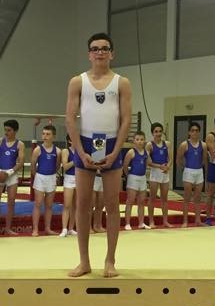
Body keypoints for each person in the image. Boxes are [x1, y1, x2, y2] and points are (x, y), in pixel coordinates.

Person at [65, 32, 132, 278]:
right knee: (82, 204)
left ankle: (110, 260)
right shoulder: (77, 82)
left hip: (112, 141)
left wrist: (116, 151)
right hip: (85, 142)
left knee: (112, 205)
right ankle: (84, 262)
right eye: (96, 48)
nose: (100, 52)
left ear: (112, 53)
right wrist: (79, 151)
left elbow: (126, 119)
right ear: (89, 54)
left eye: (105, 48)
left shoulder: (122, 82)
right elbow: (70, 118)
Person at [0, 119, 24, 236]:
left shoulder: (20, 144)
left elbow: (20, 162)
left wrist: (8, 173)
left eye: (9, 130)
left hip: (11, 174)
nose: (6, 132)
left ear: (15, 131)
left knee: (11, 202)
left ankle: (8, 228)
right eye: (5, 130)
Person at [31, 124, 62, 236]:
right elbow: (33, 166)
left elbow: (57, 166)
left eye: (48, 134)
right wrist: (37, 176)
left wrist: (52, 176)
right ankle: (35, 229)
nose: (45, 136)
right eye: (43, 134)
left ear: (53, 136)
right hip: (40, 177)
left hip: (51, 177)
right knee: (38, 204)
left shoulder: (58, 151)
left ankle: (47, 228)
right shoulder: (37, 150)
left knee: (49, 205)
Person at [177, 122, 206, 227]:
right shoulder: (184, 144)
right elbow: (178, 159)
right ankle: (185, 221)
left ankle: (198, 220)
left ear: (199, 132)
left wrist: (202, 170)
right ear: (189, 132)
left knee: (198, 197)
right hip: (188, 171)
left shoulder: (203, 145)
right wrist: (184, 168)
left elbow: (204, 160)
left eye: (197, 131)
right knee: (187, 197)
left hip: (199, 171)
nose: (194, 132)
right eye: (192, 130)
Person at [121, 131, 149, 231]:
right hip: (133, 177)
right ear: (134, 141)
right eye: (137, 139)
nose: (140, 141)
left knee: (141, 201)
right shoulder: (131, 152)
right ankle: (127, 223)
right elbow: (125, 165)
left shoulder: (146, 152)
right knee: (130, 201)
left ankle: (141, 223)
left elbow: (146, 164)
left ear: (144, 140)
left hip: (142, 178)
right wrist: (128, 175)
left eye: (141, 139)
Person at [146, 122, 171, 228]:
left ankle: (165, 221)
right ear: (152, 133)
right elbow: (148, 161)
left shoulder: (167, 144)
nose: (158, 133)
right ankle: (151, 221)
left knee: (164, 199)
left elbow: (170, 158)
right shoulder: (149, 145)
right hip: (155, 172)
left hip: (165, 172)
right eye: (156, 132)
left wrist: (167, 167)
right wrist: (159, 166)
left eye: (160, 131)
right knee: (152, 198)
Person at [58, 143, 78, 237]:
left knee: (75, 206)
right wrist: (75, 161)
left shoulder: (81, 151)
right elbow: (65, 167)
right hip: (69, 178)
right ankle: (64, 228)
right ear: (70, 141)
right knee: (67, 204)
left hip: (79, 178)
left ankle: (71, 228)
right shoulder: (66, 151)